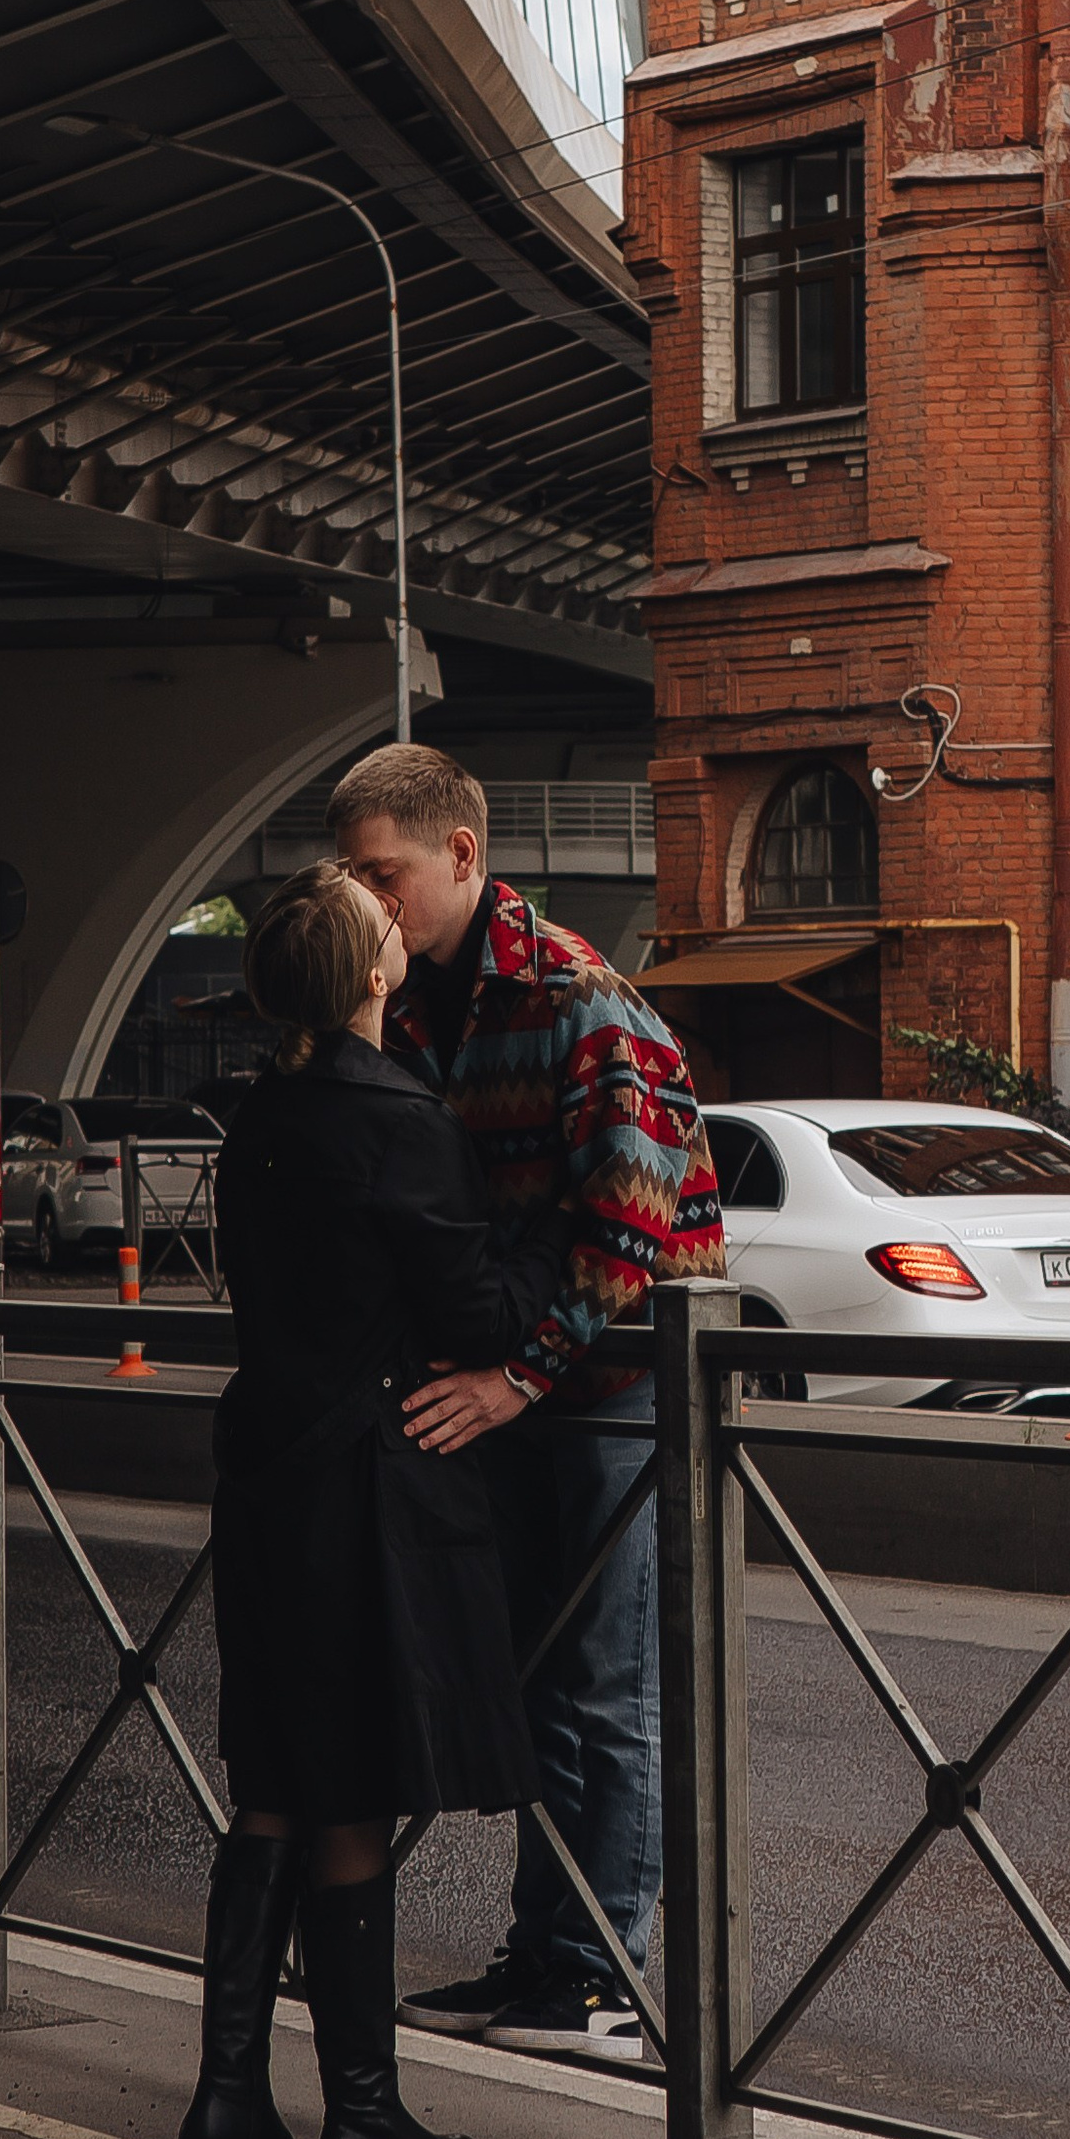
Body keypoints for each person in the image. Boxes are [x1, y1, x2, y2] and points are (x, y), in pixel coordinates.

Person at [332, 743, 726, 2063]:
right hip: (536, 1385)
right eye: (349, 877)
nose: (367, 902)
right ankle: (550, 1961)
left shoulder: (577, 997)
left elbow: (634, 1229)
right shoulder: (412, 1001)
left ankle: (606, 1979)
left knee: (606, 1689)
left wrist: (516, 1378)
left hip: (610, 1391)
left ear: (460, 855)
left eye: (382, 874)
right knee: (542, 1681)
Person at [175, 865, 566, 2139]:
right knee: (348, 1795)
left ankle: (229, 2098)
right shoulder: (397, 1117)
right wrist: (541, 1250)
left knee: (278, 1783)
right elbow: (472, 1316)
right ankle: (362, 2114)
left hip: (271, 1472)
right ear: (372, 974)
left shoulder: (261, 1117)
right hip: (364, 1490)